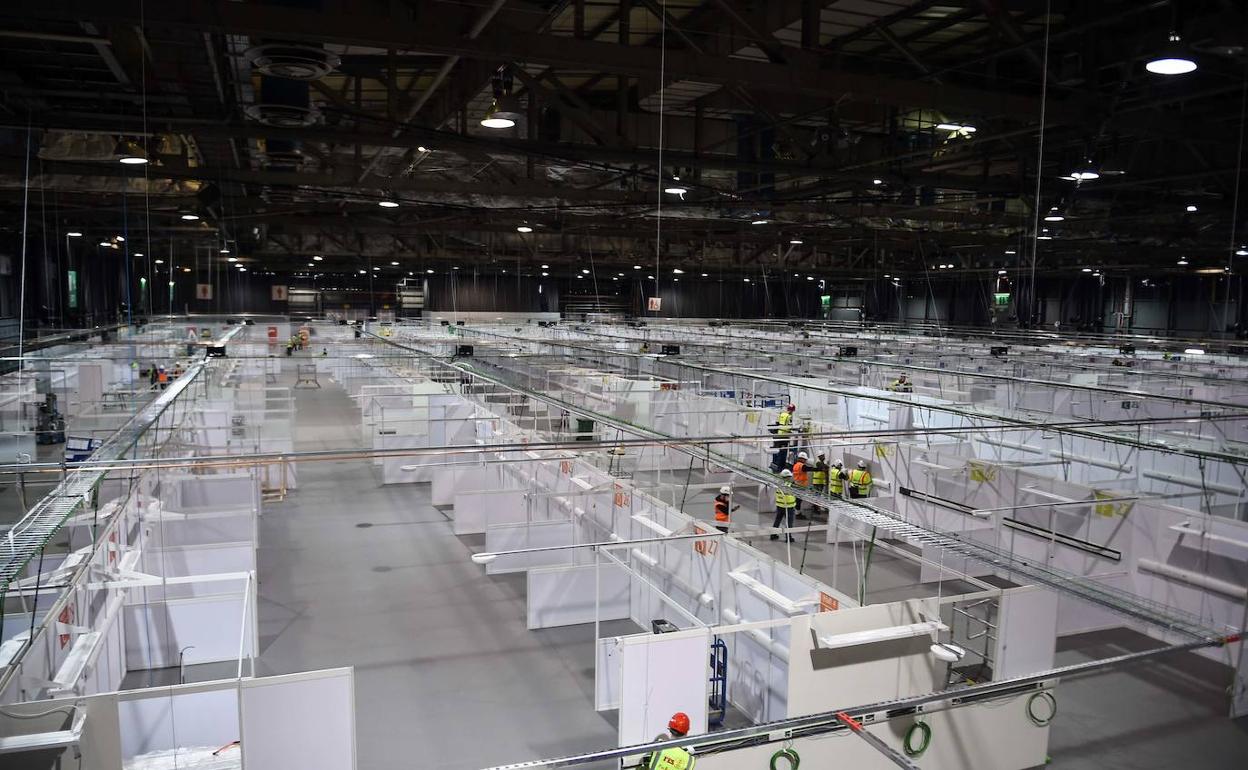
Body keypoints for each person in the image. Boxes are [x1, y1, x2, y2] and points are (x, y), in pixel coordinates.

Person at [772, 469, 797, 542]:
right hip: (789, 507)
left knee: (777, 520)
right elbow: (801, 490)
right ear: (788, 477)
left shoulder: (778, 483)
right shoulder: (791, 485)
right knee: (789, 523)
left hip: (780, 506)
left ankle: (773, 535)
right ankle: (788, 538)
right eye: (789, 477)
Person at [791, 452, 810, 519]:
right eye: (805, 459)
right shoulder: (801, 466)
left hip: (797, 484)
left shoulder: (795, 465)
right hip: (800, 486)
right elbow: (808, 469)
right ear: (802, 459)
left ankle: (797, 513)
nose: (805, 461)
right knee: (798, 500)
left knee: (797, 500)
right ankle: (797, 514)